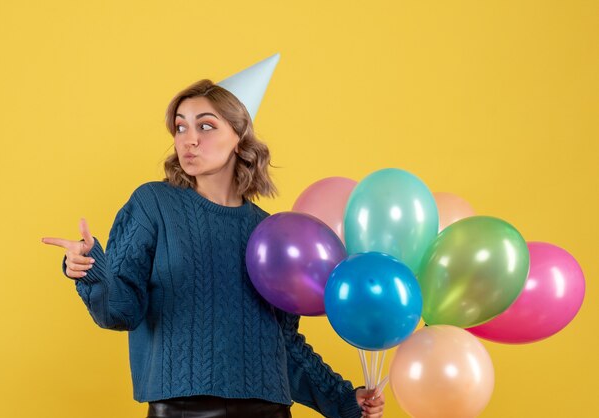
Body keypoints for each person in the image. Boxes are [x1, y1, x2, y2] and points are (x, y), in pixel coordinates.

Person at [42, 60, 386, 418]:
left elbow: (282, 341)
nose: (189, 139)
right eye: (180, 127)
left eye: (206, 126)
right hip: (181, 409)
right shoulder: (152, 204)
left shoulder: (269, 232)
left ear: (239, 138)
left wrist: (345, 398)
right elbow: (121, 311)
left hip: (268, 410)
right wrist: (91, 269)